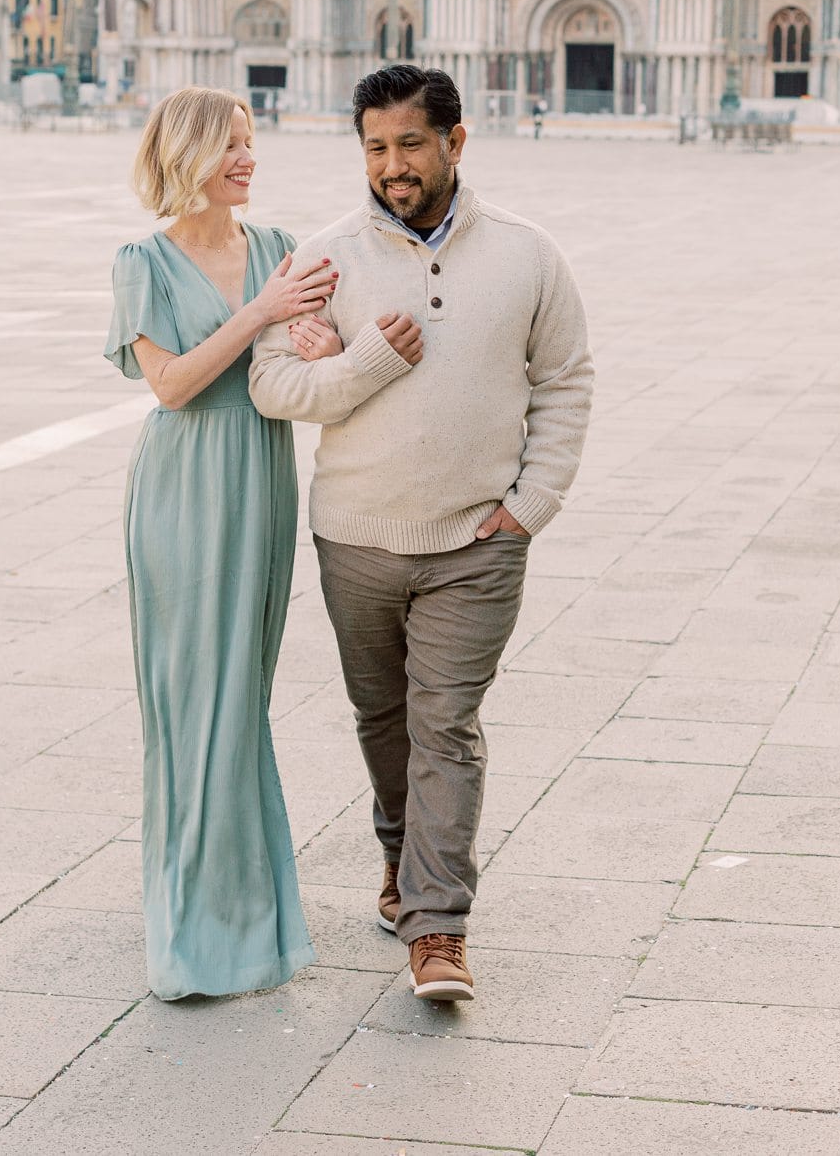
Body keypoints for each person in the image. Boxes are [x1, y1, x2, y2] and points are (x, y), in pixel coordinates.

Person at [250, 64, 594, 1005]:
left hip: (477, 542)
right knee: (386, 719)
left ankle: (437, 926)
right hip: (355, 536)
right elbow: (273, 385)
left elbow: (566, 379)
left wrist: (531, 505)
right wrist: (365, 361)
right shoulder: (321, 259)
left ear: (455, 140)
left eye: (409, 144)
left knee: (447, 724)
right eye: (374, 146)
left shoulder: (530, 254)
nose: (392, 165)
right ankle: (403, 860)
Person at [103, 85, 340, 1000]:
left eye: (251, 142)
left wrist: (317, 340)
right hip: (180, 488)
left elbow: (302, 349)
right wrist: (258, 316)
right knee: (188, 699)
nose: (249, 157)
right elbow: (171, 386)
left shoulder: (279, 249)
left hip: (260, 481)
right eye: (232, 144)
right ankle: (192, 925)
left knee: (240, 697)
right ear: (189, 152)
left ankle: (248, 914)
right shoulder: (143, 261)